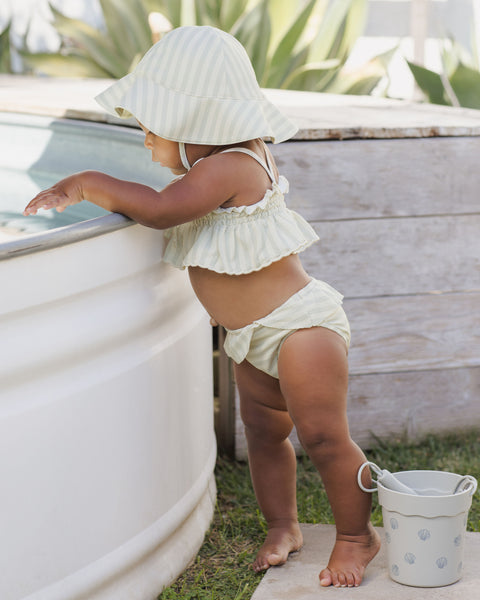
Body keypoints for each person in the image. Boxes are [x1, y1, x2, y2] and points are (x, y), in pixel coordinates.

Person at [23, 26, 380, 588]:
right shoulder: (209, 167)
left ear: (197, 124)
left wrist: (90, 182)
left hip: (298, 330)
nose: (145, 140)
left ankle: (359, 537)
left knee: (323, 437)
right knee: (264, 436)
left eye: (151, 128)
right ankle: (283, 525)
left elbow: (164, 211)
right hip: (249, 337)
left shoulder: (231, 166)